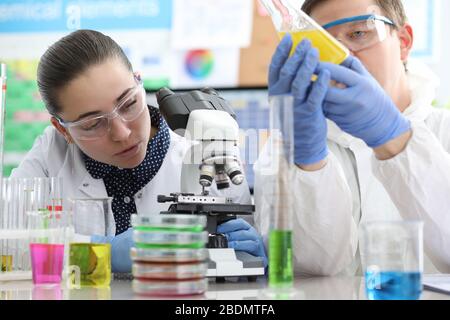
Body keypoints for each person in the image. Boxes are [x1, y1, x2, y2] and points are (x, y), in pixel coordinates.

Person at [11, 29, 266, 272]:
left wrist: (248, 253)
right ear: (62, 129)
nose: (122, 133)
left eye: (129, 103)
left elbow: (243, 257)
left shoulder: (206, 148)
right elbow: (11, 244)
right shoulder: (49, 157)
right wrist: (104, 252)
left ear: (140, 82)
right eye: (92, 123)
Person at [254, 0, 450, 275]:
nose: (342, 55)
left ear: (404, 42)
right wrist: (308, 161)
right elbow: (307, 271)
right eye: (322, 43)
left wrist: (392, 136)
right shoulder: (285, 150)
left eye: (359, 33)